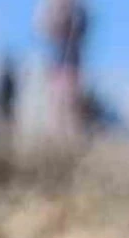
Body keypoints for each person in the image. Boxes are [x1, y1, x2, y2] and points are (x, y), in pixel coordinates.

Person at [36, 0, 89, 138]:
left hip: (71, 61)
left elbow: (84, 27)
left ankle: (72, 137)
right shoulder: (50, 6)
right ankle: (55, 137)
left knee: (71, 101)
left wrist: (74, 25)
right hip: (56, 62)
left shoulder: (78, 8)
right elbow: (42, 26)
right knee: (55, 101)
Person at [0, 53, 19, 127]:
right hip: (5, 102)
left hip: (7, 102)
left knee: (5, 119)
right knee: (3, 119)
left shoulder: (7, 78)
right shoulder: (6, 78)